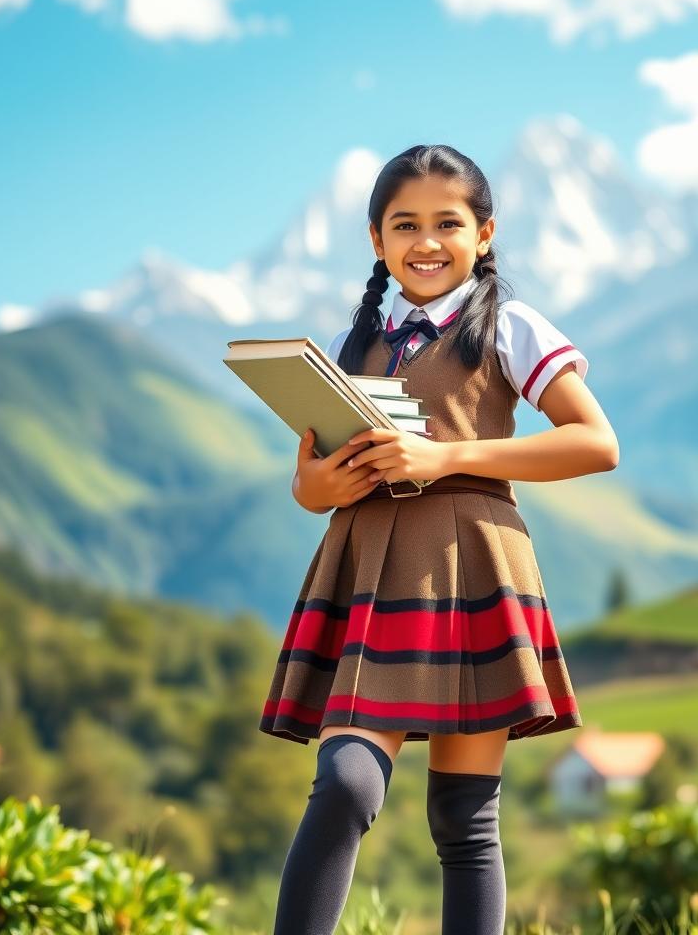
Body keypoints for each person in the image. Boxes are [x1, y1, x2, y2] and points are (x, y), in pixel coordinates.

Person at [260, 144, 619, 935]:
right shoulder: (351, 346)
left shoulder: (510, 326)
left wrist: (445, 457)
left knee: (465, 821)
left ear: (483, 234)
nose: (427, 241)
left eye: (447, 223)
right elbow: (309, 482)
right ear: (375, 240)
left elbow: (596, 443)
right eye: (405, 224)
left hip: (472, 567)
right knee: (349, 783)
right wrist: (319, 487)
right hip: (366, 570)